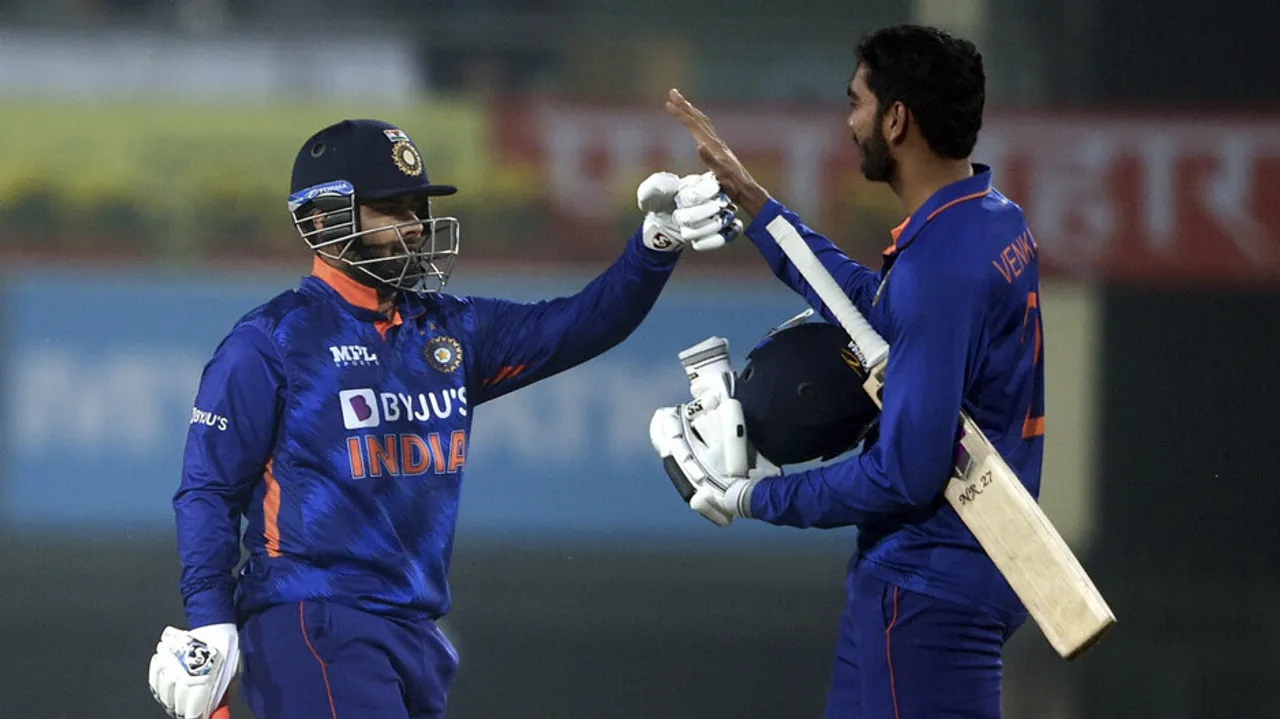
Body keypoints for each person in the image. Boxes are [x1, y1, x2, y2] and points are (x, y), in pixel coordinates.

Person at [145, 118, 735, 719]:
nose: (414, 229)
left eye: (416, 210)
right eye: (391, 210)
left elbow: (580, 325)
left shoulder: (450, 329)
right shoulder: (271, 342)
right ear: (324, 222)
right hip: (313, 619)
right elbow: (208, 491)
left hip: (414, 630)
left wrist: (655, 245)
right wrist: (210, 620)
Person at [657, 24, 1045, 718]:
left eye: (857, 102)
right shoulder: (992, 220)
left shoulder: (940, 268)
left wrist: (753, 495)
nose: (849, 121)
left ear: (897, 120)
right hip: (938, 580)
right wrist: (755, 204)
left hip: (926, 590)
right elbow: (878, 307)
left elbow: (905, 473)